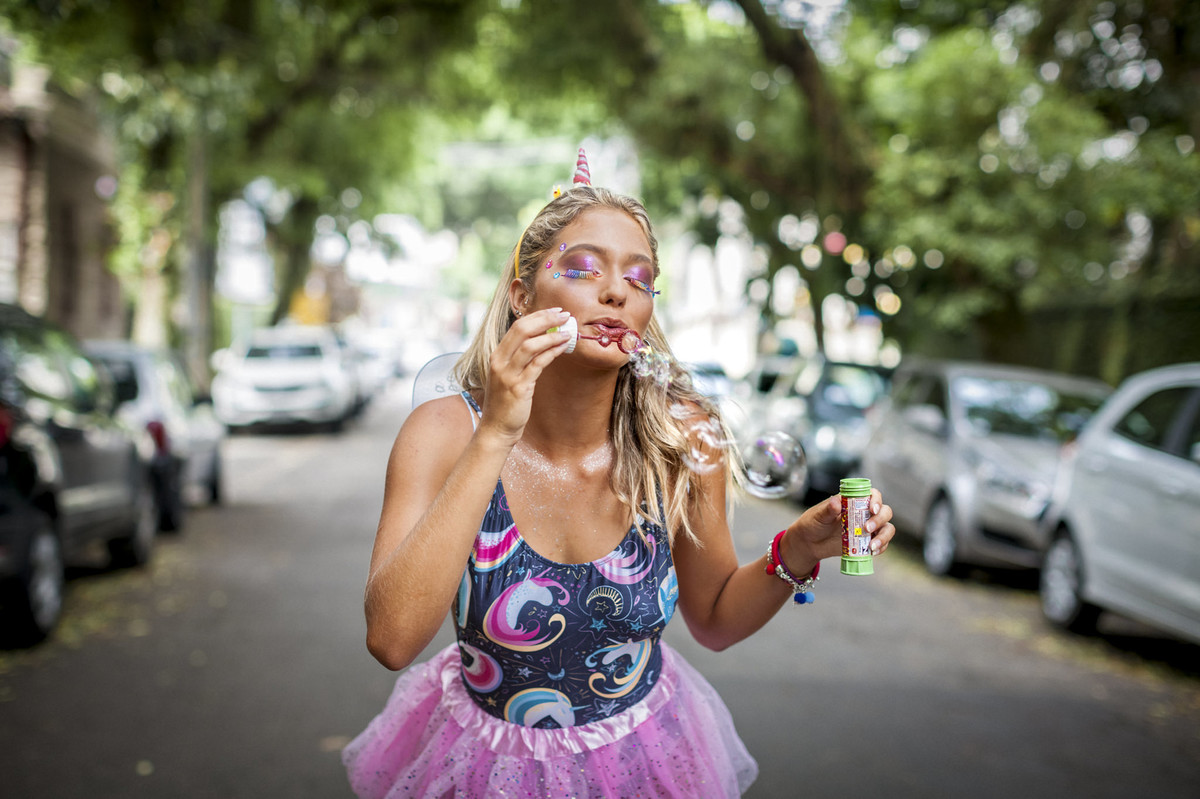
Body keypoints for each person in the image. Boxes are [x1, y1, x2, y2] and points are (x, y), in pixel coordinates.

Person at [343, 149, 896, 798]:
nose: (616, 290)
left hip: (641, 761)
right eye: (583, 269)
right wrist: (494, 431)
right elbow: (392, 638)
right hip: (487, 765)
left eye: (639, 280)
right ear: (521, 294)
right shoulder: (444, 432)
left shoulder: (679, 437)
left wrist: (797, 550)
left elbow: (715, 620)